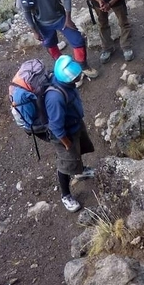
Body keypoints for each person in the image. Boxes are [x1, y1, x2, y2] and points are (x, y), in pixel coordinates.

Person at [17, 0, 99, 80]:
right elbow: (27, 12)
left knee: (78, 40)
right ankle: (64, 67)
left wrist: (68, 18)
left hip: (61, 19)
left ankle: (83, 67)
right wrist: (34, 30)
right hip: (42, 24)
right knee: (50, 45)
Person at [46, 56, 96, 212]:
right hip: (64, 135)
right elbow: (56, 126)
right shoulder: (55, 97)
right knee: (65, 164)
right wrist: (67, 143)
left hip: (75, 125)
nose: (79, 78)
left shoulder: (63, 82)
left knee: (78, 151)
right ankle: (65, 195)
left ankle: (79, 170)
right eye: (76, 77)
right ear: (67, 80)